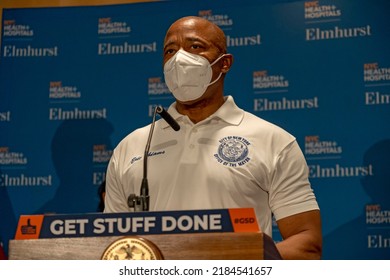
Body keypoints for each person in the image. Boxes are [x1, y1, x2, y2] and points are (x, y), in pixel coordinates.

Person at [104, 16, 322, 260]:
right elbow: (111, 248)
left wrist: (223, 261)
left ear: (224, 63)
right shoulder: (131, 146)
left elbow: (306, 243)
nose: (179, 59)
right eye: (170, 50)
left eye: (195, 47)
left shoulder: (273, 141)